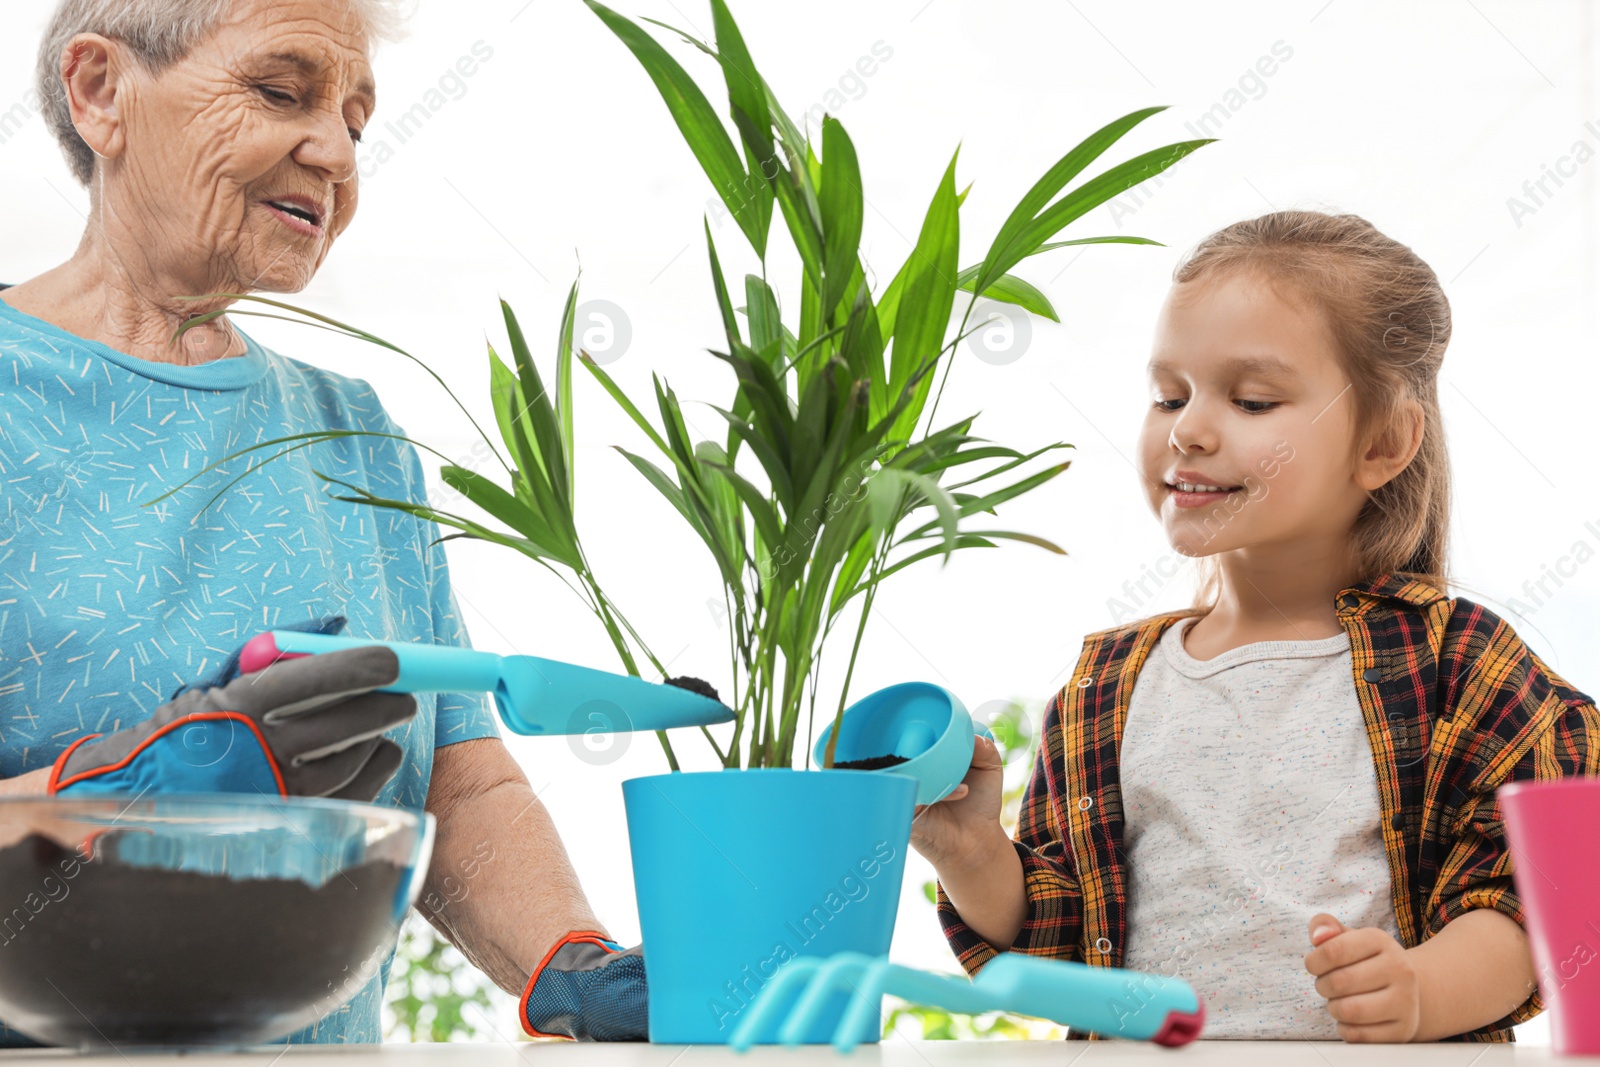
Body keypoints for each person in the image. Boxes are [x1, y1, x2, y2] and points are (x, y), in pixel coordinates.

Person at [0, 0, 641, 1043]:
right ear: (100, 91)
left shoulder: (352, 431)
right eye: (279, 91)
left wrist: (571, 959)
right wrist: (128, 787)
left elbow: (458, 775)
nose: (335, 152)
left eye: (355, 119)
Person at [909, 210, 1600, 1043]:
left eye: (1252, 399)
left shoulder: (1460, 663)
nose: (1189, 429)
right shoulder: (1108, 687)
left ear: (1383, 442)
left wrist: (1421, 988)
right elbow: (1057, 951)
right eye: (1170, 395)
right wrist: (974, 852)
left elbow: (1530, 896)